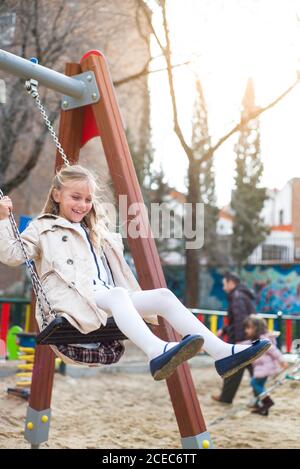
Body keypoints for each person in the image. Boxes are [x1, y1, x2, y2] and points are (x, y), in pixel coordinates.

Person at [0, 165, 270, 380]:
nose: (82, 205)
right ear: (57, 195)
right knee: (118, 295)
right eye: (75, 197)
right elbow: (12, 255)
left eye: (88, 199)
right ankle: (156, 351)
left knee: (163, 296)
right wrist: (2, 219)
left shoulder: (95, 230)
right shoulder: (42, 227)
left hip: (103, 297)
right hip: (72, 302)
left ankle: (223, 353)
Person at [212, 271, 257, 404]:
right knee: (250, 370)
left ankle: (227, 398)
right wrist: (224, 330)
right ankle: (261, 398)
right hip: (247, 338)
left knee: (235, 368)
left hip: (242, 341)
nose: (223, 287)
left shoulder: (237, 297)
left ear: (231, 283)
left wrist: (239, 341)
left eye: (224, 283)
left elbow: (240, 320)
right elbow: (236, 320)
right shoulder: (241, 295)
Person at [244, 315, 288, 416]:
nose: (246, 330)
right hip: (262, 368)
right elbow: (245, 345)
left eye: (249, 328)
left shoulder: (263, 341)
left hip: (265, 368)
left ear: (257, 328)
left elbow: (274, 351)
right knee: (260, 386)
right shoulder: (255, 340)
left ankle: (267, 402)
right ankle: (263, 408)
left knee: (255, 383)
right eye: (246, 328)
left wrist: (282, 361)